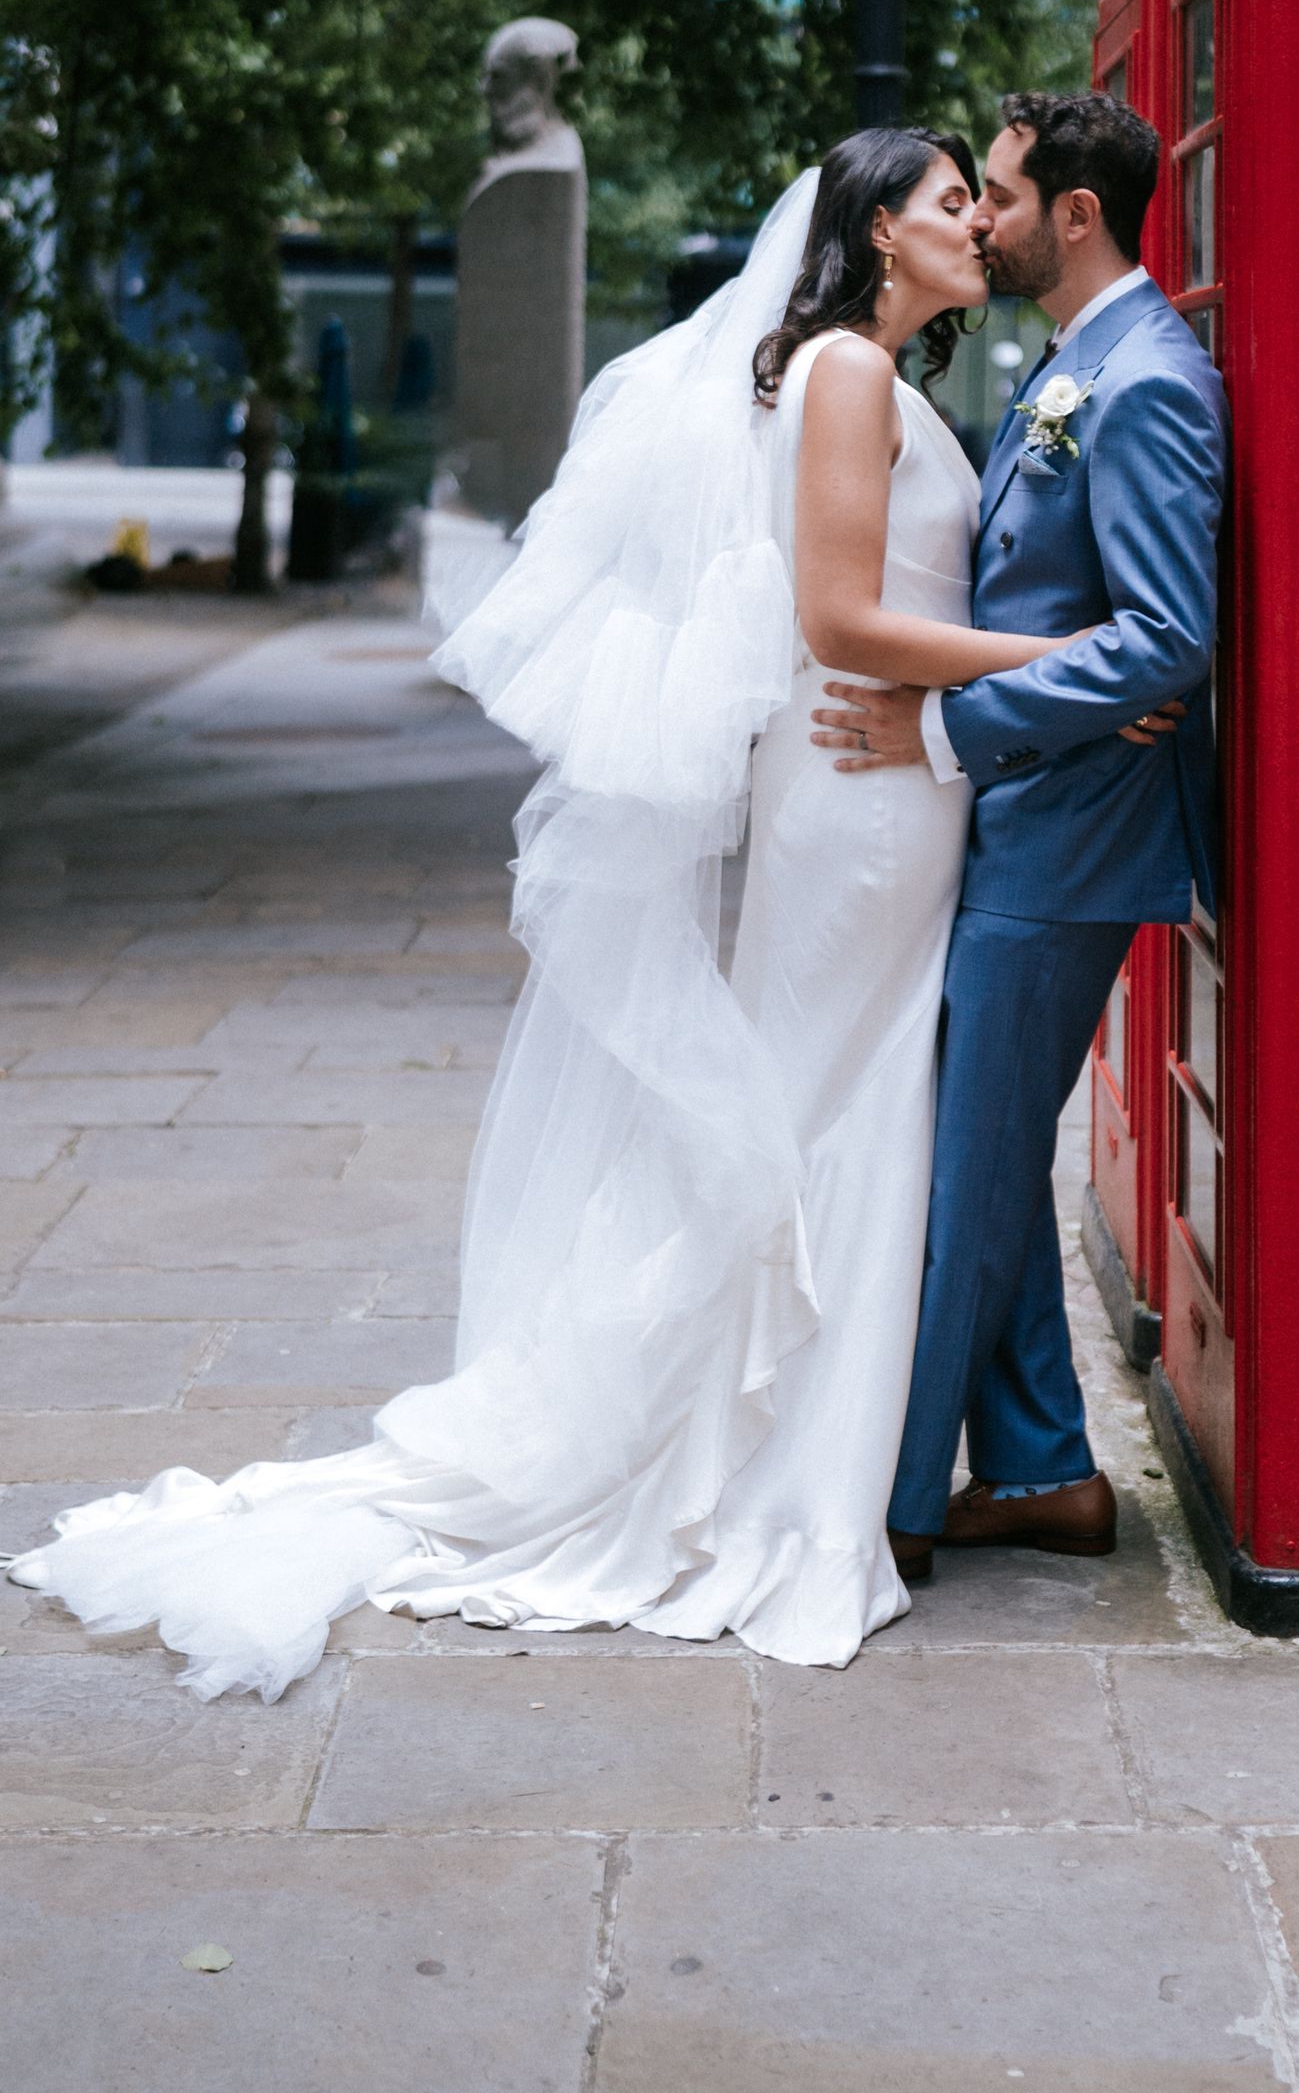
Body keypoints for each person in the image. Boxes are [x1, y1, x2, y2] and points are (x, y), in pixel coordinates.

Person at [4, 129, 1098, 1697]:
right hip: (864, 796)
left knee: (857, 1105)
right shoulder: (853, 379)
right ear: (873, 234)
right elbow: (840, 619)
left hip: (889, 785)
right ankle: (782, 1462)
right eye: (947, 202)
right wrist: (1068, 671)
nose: (977, 224)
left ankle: (836, 1444)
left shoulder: (874, 375)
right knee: (833, 1108)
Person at [809, 91, 1228, 1579]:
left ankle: (904, 1502)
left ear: (1076, 213)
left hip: (1070, 837)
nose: (979, 218)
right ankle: (1046, 1470)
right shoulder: (1079, 358)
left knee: (972, 1173)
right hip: (1032, 817)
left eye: (995, 193)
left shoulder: (1147, 377)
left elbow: (1167, 637)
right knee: (972, 1142)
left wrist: (948, 726)